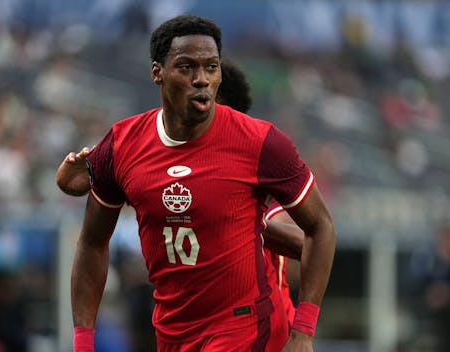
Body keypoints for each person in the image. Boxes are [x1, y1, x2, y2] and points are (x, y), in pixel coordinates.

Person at [68, 15, 336, 351]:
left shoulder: (261, 144)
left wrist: (304, 331)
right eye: (186, 67)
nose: (201, 79)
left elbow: (320, 228)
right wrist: (82, 342)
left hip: (242, 326)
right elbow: (92, 242)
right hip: (171, 330)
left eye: (211, 67)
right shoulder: (122, 146)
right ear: (157, 73)